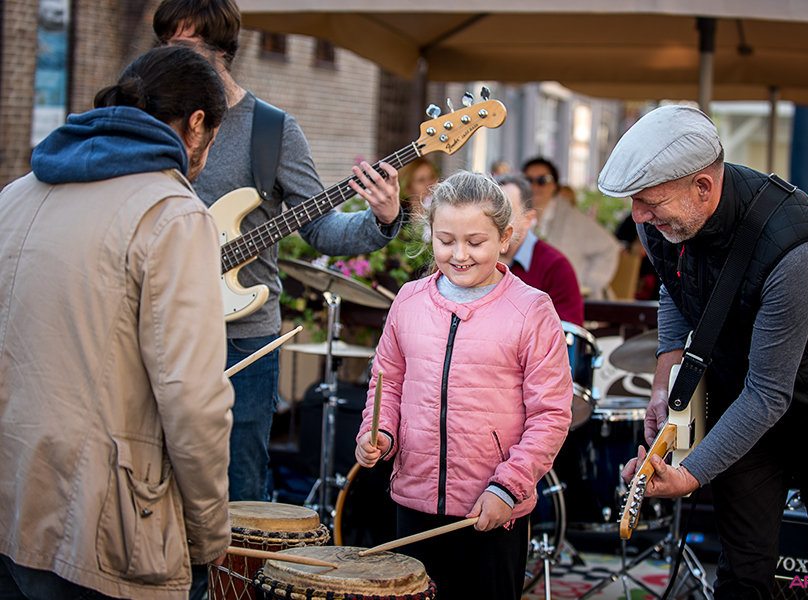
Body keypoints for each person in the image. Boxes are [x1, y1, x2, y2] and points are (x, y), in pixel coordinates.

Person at [601, 105, 808, 598]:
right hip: (743, 401)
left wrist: (688, 475)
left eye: (649, 202)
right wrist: (664, 383)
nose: (637, 216)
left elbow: (769, 394)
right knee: (741, 572)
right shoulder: (660, 221)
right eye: (634, 201)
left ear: (702, 187)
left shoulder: (795, 246)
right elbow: (674, 288)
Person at [0, 46, 233, 600]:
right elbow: (193, 399)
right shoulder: (174, 214)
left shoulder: (13, 195)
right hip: (105, 525)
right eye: (213, 141)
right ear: (196, 125)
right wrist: (208, 534)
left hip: (12, 498)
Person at [153, 0, 402, 504]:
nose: (168, 59)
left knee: (239, 483)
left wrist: (382, 218)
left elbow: (321, 229)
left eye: (182, 46)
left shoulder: (271, 130)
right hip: (157, 325)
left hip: (241, 337)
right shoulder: (152, 115)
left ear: (222, 50)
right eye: (164, 45)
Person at [354, 171, 572, 600]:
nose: (459, 255)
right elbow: (387, 383)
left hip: (491, 508)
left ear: (505, 237)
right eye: (445, 240)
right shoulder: (408, 300)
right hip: (412, 502)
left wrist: (508, 487)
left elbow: (550, 415)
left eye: (475, 242)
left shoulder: (532, 310)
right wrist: (379, 432)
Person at [522, 157, 620, 298]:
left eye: (542, 180)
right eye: (528, 180)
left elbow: (609, 247)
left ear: (554, 185)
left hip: (566, 298)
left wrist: (587, 285)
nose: (534, 186)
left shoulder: (572, 218)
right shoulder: (518, 214)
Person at [496, 173, 584, 325]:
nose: (497, 222)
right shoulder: (474, 260)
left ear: (529, 219)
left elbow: (567, 333)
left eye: (506, 214)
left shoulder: (556, 267)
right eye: (491, 214)